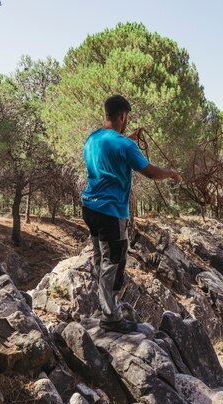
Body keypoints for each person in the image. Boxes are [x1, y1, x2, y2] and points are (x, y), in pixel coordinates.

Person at [81, 95, 181, 333]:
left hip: (89, 207)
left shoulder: (92, 139)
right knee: (113, 262)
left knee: (100, 259)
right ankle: (111, 317)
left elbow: (111, 148)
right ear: (123, 116)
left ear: (106, 113)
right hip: (111, 211)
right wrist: (172, 173)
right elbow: (151, 172)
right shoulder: (125, 146)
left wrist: (128, 140)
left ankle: (105, 307)